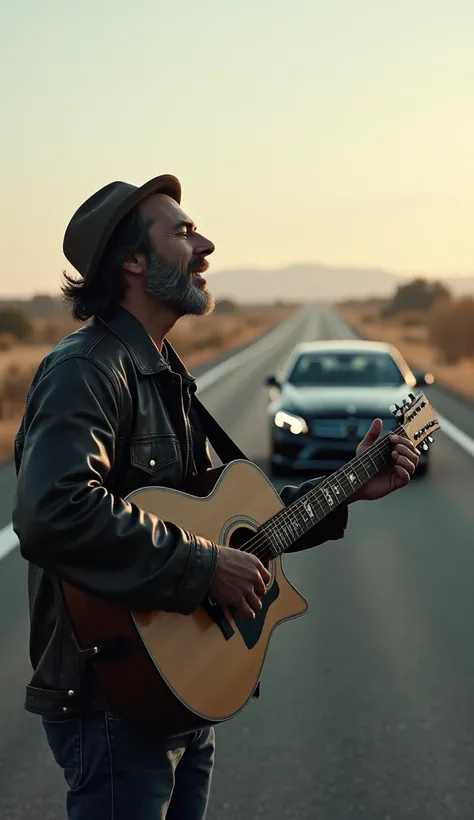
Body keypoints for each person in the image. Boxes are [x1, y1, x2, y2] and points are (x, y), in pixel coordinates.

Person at [12, 174, 419, 820]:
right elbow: (51, 510)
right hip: (114, 703)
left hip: (182, 694)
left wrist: (347, 489)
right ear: (134, 262)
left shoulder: (166, 373)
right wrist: (204, 568)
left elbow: (229, 527)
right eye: (181, 231)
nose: (205, 244)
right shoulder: (87, 369)